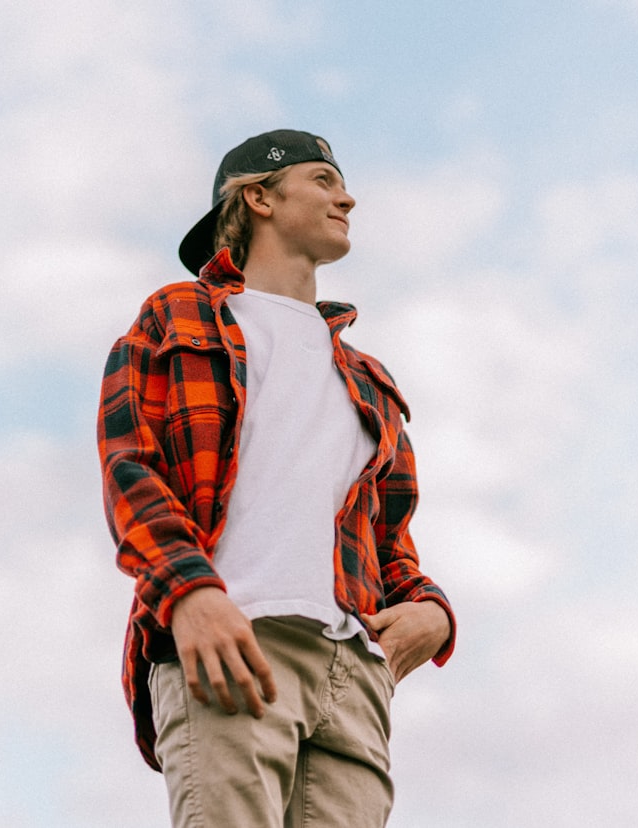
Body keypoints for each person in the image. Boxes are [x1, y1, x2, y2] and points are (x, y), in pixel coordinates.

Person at [98, 129, 456, 827]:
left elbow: (390, 542)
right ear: (258, 197)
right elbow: (130, 466)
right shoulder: (179, 316)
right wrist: (189, 593)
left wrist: (435, 612)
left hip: (351, 671)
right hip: (232, 647)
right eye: (322, 179)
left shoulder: (369, 379)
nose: (345, 196)